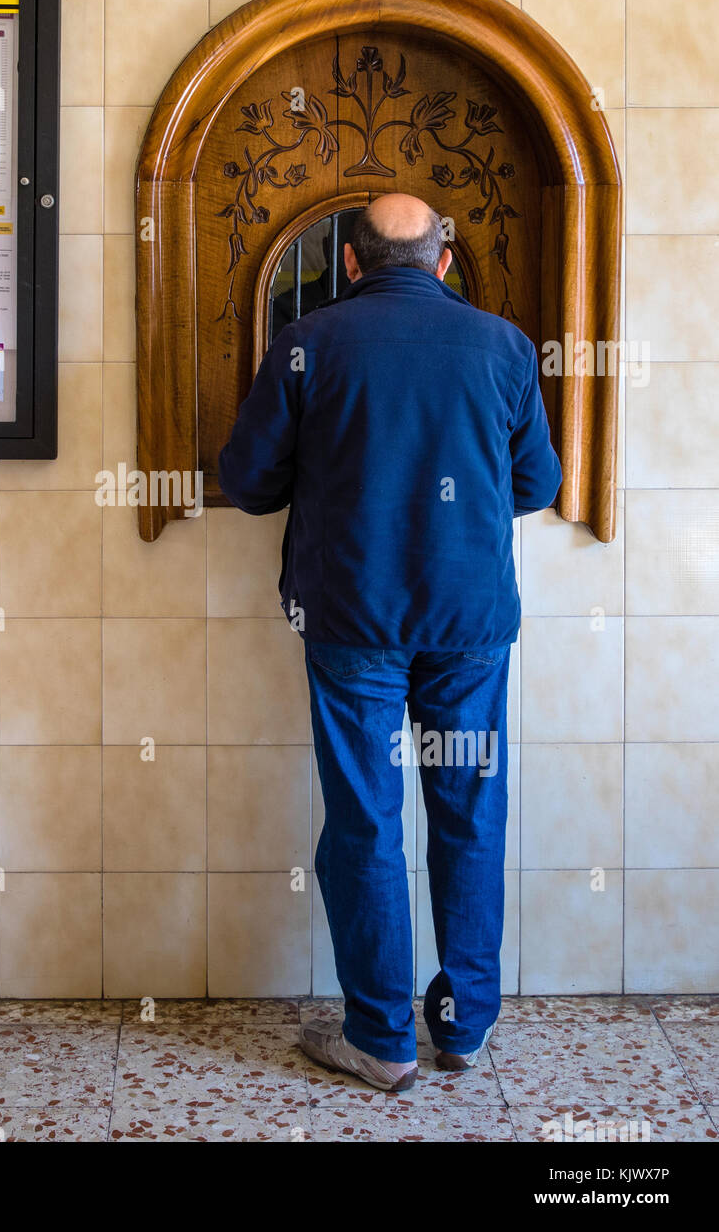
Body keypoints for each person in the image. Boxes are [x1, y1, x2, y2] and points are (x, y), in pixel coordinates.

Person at [217, 194, 562, 1093]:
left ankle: (378, 1037)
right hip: (469, 625)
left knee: (366, 817)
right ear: (442, 260)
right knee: (468, 812)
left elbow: (249, 484)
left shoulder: (308, 344)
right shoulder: (504, 348)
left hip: (352, 620)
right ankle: (464, 1025)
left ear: (354, 263)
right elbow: (535, 485)